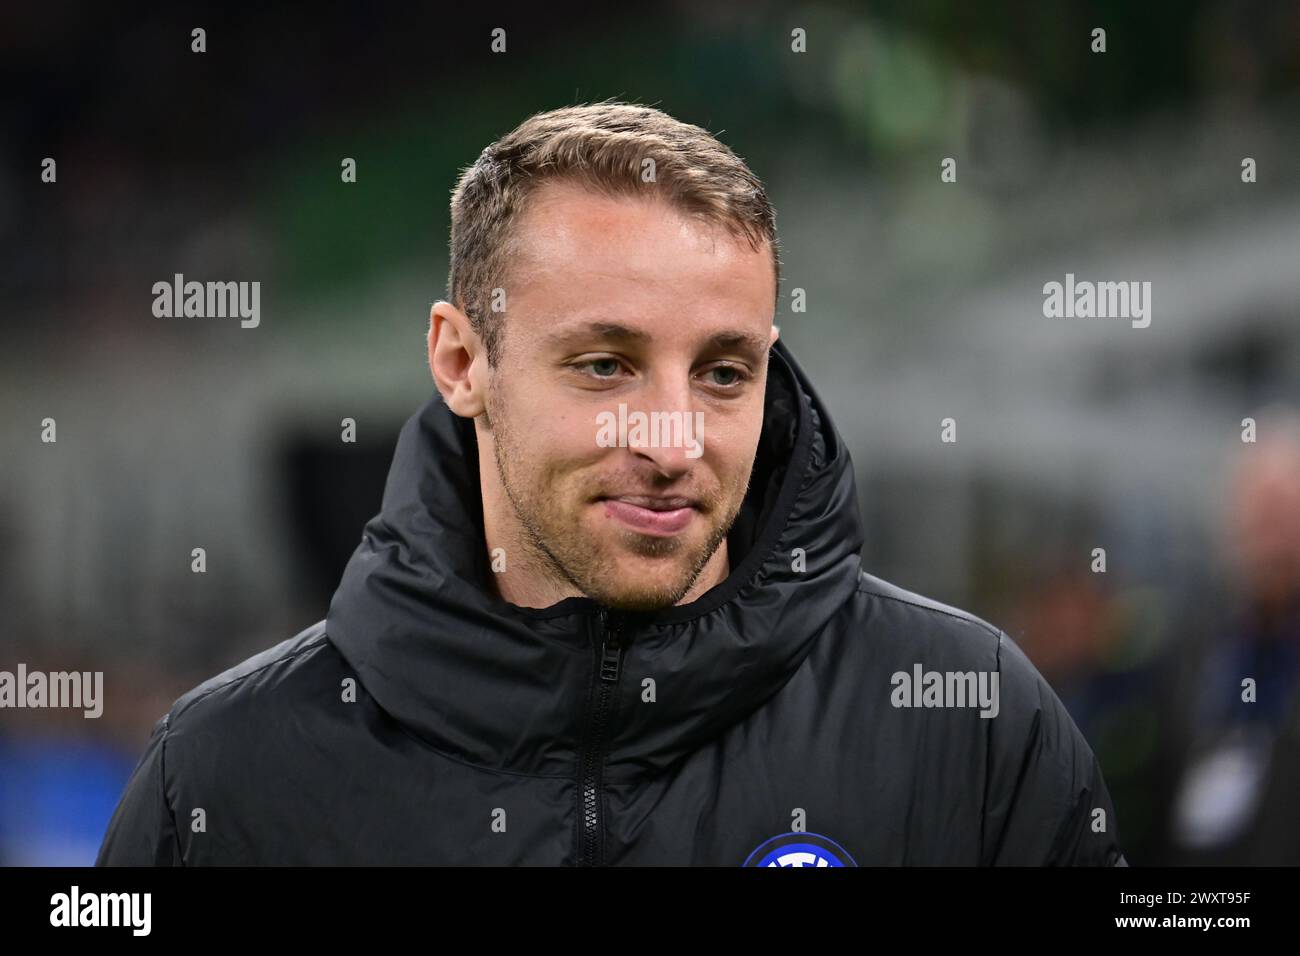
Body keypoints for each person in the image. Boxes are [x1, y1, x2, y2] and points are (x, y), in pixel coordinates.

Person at [96, 100, 1125, 866]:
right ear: (462, 363)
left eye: (724, 373)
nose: (673, 438)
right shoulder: (228, 773)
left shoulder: (966, 722)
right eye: (605, 364)